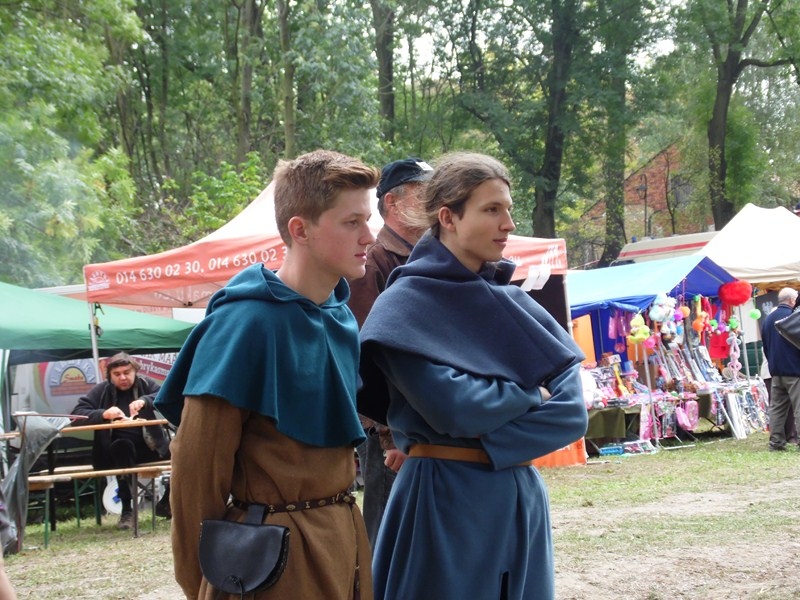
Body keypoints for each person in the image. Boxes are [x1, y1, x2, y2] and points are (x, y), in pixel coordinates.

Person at [358, 152, 589, 600]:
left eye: (508, 209)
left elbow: (571, 415)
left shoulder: (515, 304)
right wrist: (530, 394)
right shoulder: (403, 307)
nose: (508, 224)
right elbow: (453, 407)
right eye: (491, 209)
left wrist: (488, 432)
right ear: (448, 217)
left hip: (519, 500)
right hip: (444, 500)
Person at [155, 149, 380, 600]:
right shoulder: (244, 324)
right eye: (351, 222)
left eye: (368, 220)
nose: (369, 237)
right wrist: (201, 582)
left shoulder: (341, 318)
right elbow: (197, 470)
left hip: (345, 539)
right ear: (301, 230)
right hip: (272, 559)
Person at [348, 157, 432, 548]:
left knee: (420, 535)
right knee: (386, 536)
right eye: (423, 191)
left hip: (427, 418)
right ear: (393, 203)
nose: (434, 199)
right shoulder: (373, 260)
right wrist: (392, 435)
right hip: (391, 427)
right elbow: (371, 354)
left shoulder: (432, 256)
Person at [71, 352, 171, 530]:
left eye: (127, 372)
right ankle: (127, 509)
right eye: (117, 374)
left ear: (135, 372)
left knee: (183, 450)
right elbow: (76, 415)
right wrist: (103, 414)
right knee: (122, 447)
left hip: (151, 448)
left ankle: (166, 502)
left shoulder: (145, 384)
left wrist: (145, 401)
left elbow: (167, 395)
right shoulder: (102, 390)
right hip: (114, 454)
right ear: (110, 376)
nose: (123, 378)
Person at [761, 287, 800, 451]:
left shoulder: (768, 319)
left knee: (776, 408)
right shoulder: (793, 317)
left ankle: (776, 442)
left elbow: (765, 346)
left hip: (776, 371)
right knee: (798, 407)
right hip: (795, 370)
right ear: (792, 300)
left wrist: (773, 364)